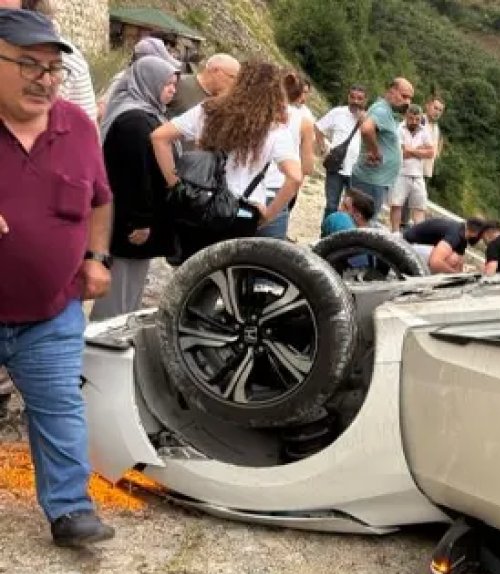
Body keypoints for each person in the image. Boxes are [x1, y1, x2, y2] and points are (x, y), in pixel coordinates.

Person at [0, 8, 116, 546]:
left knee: (60, 409)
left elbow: (101, 199)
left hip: (52, 310)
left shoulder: (77, 126)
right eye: (29, 64)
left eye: (53, 69)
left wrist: (97, 257)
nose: (44, 80)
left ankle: (70, 510)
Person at [150, 60, 302, 260]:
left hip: (199, 202)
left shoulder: (208, 110)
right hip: (241, 212)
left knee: (191, 268)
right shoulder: (274, 129)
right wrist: (269, 214)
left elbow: (159, 137)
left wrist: (175, 184)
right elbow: (295, 177)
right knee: (228, 271)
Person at [89, 57, 180, 321]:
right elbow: (133, 176)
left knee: (130, 289)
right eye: (167, 84)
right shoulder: (134, 121)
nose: (172, 90)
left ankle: (117, 334)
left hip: (134, 219)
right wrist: (139, 220)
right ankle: (103, 338)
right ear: (149, 83)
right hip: (129, 222)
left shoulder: (146, 114)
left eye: (174, 85)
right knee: (118, 290)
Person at [3, 0, 97, 122]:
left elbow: (85, 125)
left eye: (55, 67)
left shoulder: (71, 59)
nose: (46, 81)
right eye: (29, 64)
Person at [258, 72, 315, 240]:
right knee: (268, 251)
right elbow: (307, 167)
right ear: (299, 95)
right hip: (277, 189)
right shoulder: (304, 122)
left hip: (244, 187)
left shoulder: (255, 111)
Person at [351, 77, 414, 218]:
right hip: (371, 181)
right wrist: (375, 151)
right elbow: (366, 129)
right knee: (363, 221)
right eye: (404, 96)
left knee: (358, 219)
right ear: (392, 91)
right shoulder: (382, 111)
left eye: (410, 98)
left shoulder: (387, 111)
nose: (408, 102)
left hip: (375, 180)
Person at [315, 84, 366, 212]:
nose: (355, 101)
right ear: (348, 97)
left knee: (353, 208)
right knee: (331, 205)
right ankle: (328, 226)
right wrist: (323, 148)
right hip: (336, 167)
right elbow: (318, 127)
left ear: (365, 101)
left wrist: (364, 122)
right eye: (352, 97)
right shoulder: (338, 112)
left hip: (357, 171)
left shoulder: (369, 119)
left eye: (359, 98)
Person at [388, 104, 433, 231]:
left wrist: (411, 150)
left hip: (418, 175)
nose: (414, 122)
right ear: (406, 116)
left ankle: (419, 235)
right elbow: (401, 153)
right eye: (411, 118)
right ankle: (394, 232)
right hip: (401, 173)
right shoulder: (399, 129)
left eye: (417, 119)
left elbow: (431, 153)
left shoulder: (424, 130)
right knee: (396, 204)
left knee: (419, 207)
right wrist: (420, 150)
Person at [402, 216, 493, 274]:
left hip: (421, 247)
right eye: (480, 238)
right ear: (474, 233)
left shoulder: (463, 235)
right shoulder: (454, 235)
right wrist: (454, 275)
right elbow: (435, 262)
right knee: (451, 259)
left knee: (455, 259)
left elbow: (459, 264)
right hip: (407, 246)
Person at [166, 52, 239, 119]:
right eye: (232, 77)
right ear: (215, 71)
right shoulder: (178, 83)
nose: (235, 82)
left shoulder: (224, 102)